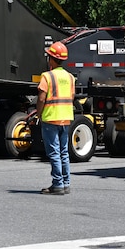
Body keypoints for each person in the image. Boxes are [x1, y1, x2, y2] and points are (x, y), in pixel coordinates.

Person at [37, 41, 76, 195]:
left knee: (54, 153)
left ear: (52, 59)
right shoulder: (70, 77)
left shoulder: (47, 76)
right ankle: (66, 183)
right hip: (65, 118)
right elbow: (71, 97)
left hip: (51, 118)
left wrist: (38, 114)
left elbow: (41, 98)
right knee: (64, 152)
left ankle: (57, 184)